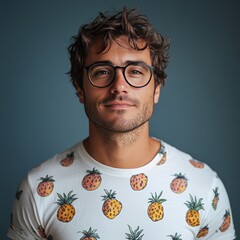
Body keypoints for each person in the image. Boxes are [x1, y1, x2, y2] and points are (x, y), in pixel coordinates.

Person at [7, 7, 235, 240]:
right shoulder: (38, 189)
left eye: (135, 71)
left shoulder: (205, 187)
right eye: (102, 71)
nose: (119, 85)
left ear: (156, 89)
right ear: (80, 90)